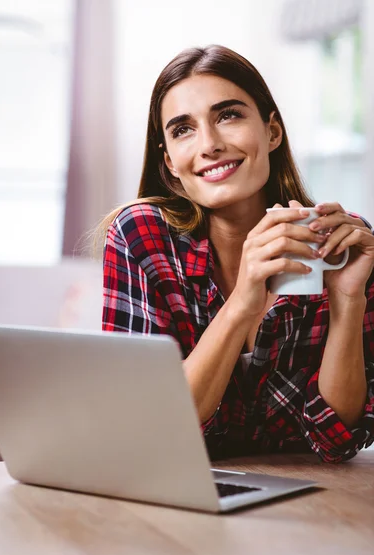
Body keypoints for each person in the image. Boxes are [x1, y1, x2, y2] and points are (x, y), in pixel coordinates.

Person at [101, 45, 374, 463]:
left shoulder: (337, 245)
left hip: (306, 501)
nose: (209, 145)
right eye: (182, 129)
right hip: (182, 496)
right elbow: (149, 428)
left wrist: (348, 300)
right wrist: (242, 302)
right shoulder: (142, 237)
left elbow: (336, 438)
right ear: (170, 162)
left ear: (272, 132)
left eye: (228, 115)